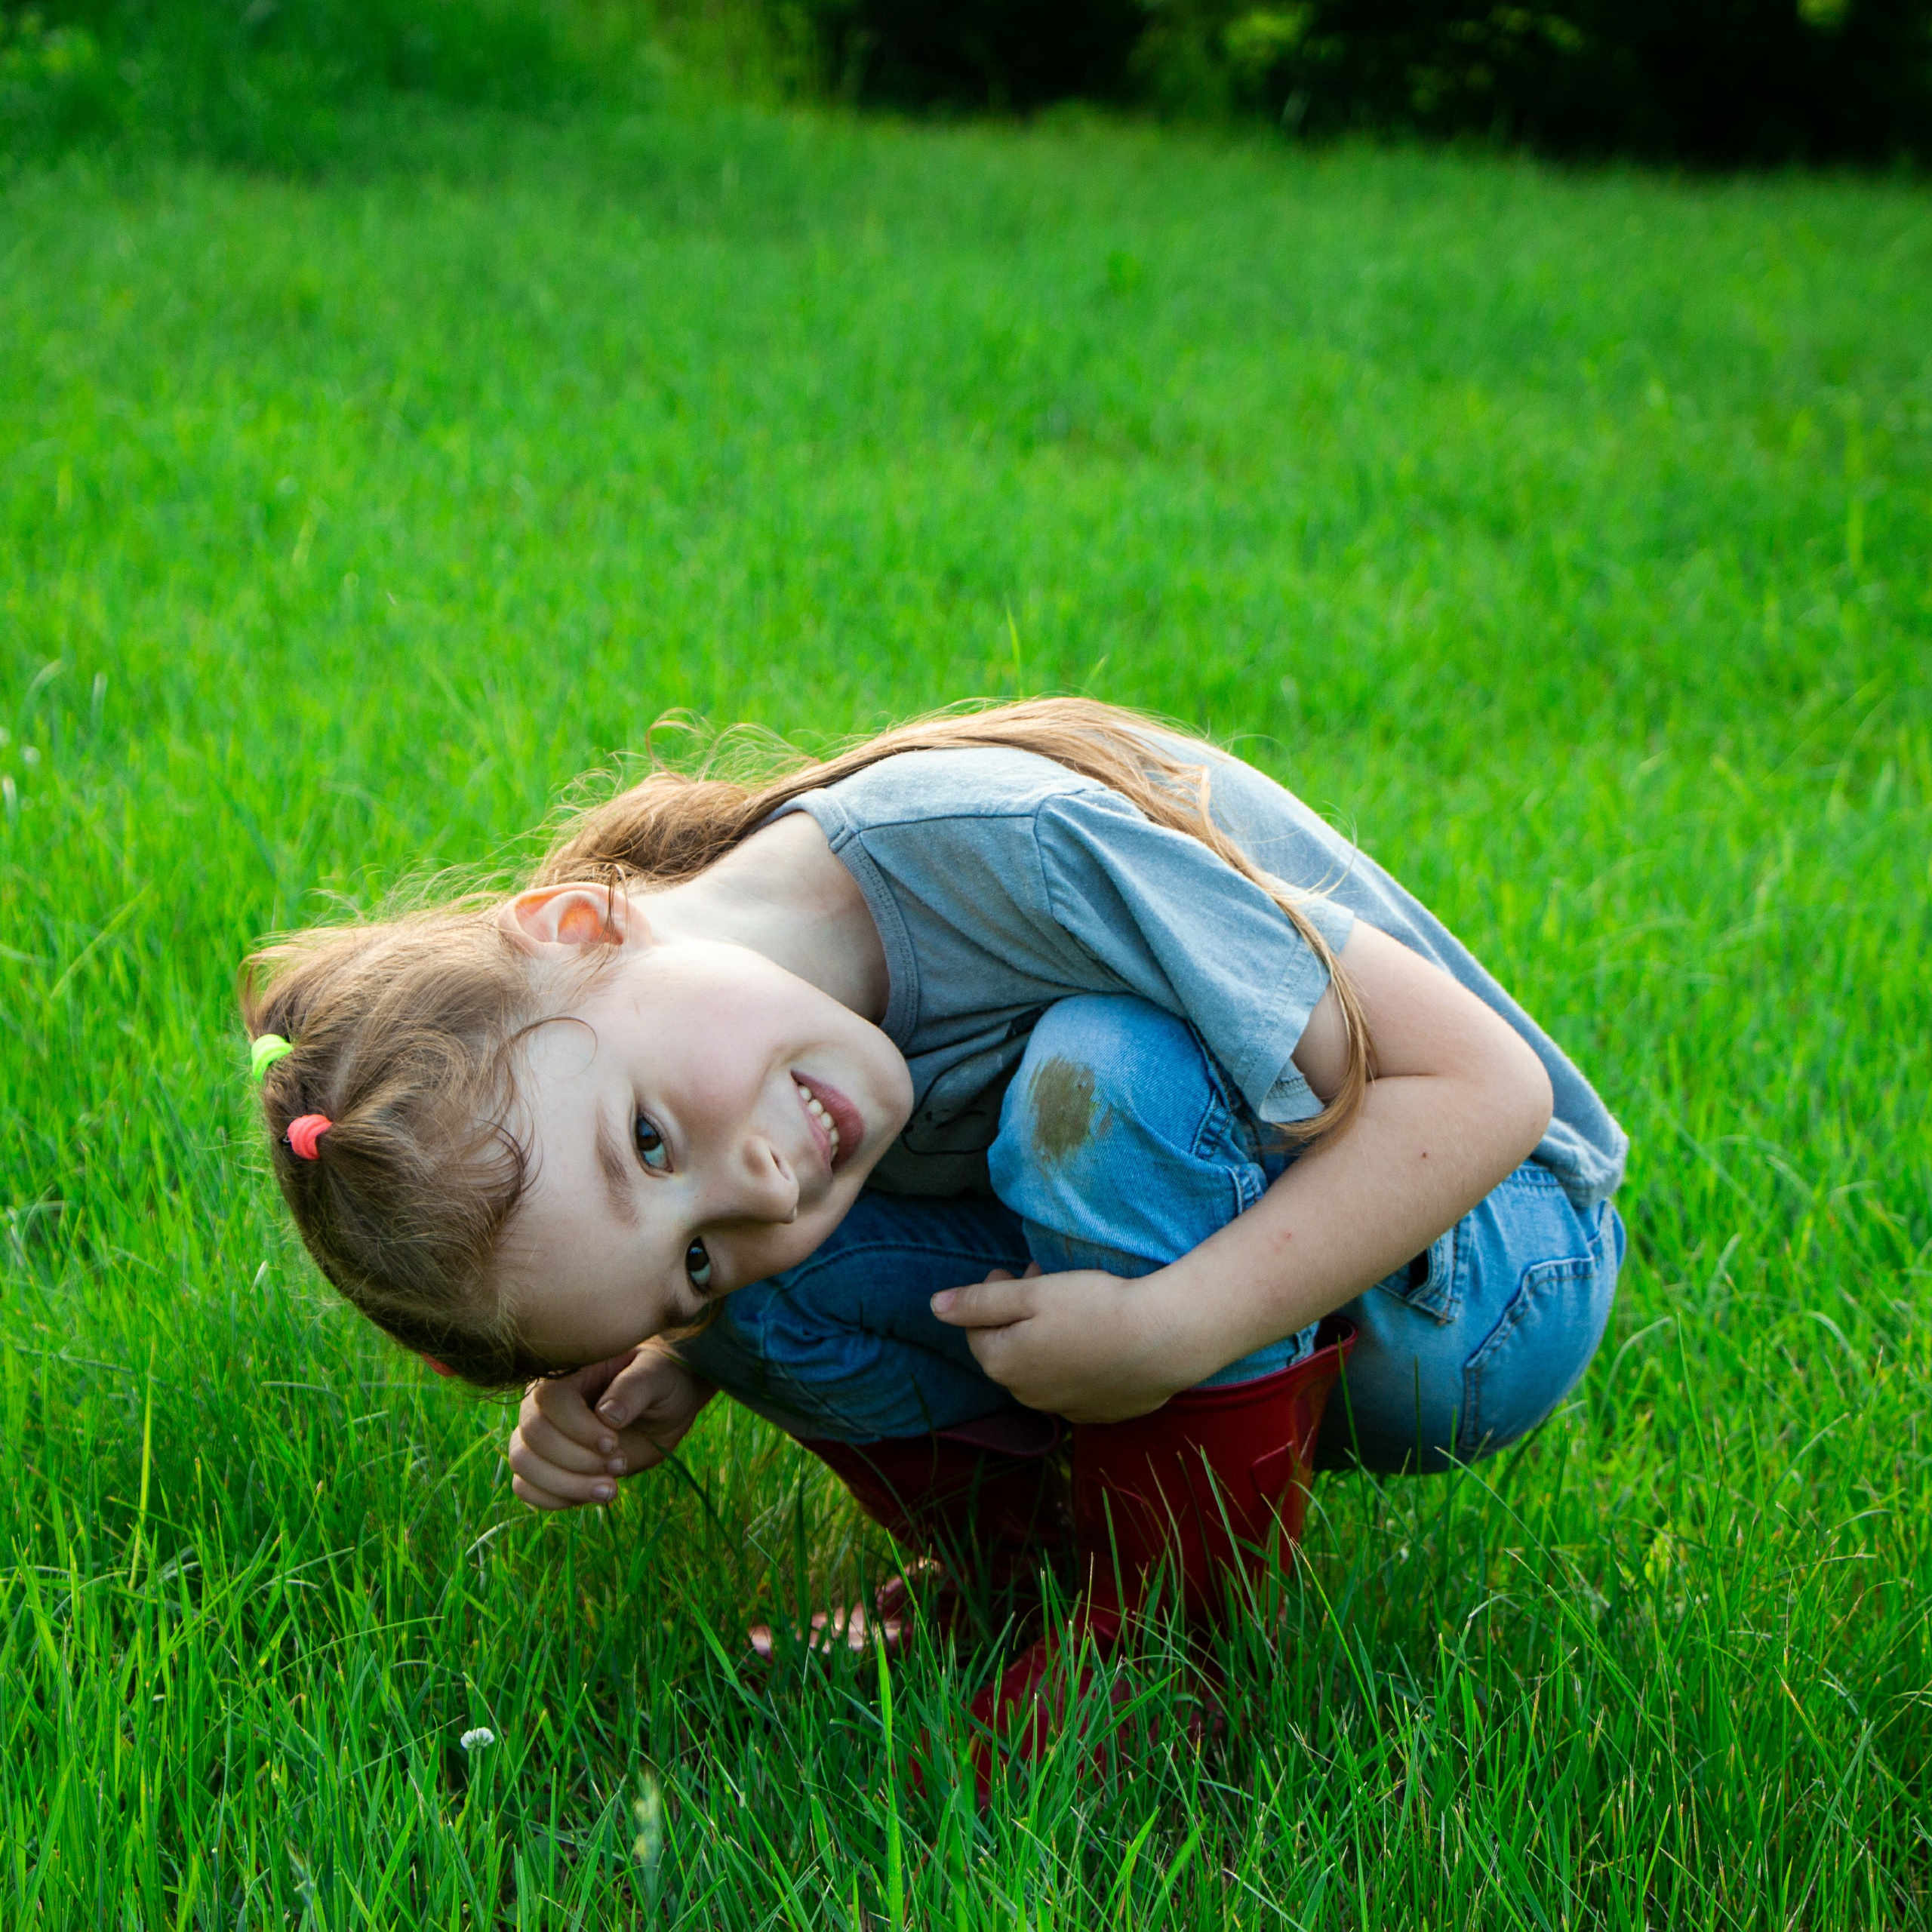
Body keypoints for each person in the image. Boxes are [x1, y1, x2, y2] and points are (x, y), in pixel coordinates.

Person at [242, 697, 1626, 1771]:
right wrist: (676, 1345)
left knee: (1106, 1075)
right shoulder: (741, 1031)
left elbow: (1484, 1092)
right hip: (1254, 1262)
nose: (766, 1190)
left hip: (1474, 1271)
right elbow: (695, 1221)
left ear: (575, 923)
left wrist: (1176, 1329)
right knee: (757, 1303)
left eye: (649, 1139)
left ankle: (1156, 1648)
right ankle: (1024, 1588)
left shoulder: (1000, 852)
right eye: (689, 1243)